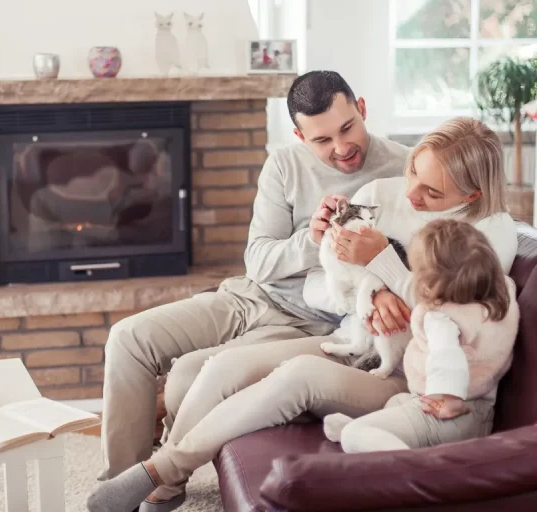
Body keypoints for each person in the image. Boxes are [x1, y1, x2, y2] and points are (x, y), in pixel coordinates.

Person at [88, 117, 516, 512]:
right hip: (355, 339)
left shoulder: (490, 235)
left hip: (415, 378)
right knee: (220, 368)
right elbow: (326, 285)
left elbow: (456, 323)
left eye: (432, 192)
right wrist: (368, 293)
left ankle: (160, 471)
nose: (410, 194)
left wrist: (383, 264)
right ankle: (162, 483)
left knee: (299, 376)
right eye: (412, 173)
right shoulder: (380, 196)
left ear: (471, 195)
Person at [94, 70, 411, 509]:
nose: (341, 148)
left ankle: (160, 487)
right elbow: (258, 259)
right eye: (321, 140)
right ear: (300, 136)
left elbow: (419, 256)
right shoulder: (283, 164)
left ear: (361, 109)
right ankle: (121, 487)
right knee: (127, 339)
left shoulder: (404, 170)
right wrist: (311, 239)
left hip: (311, 321)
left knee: (188, 376)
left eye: (347, 128)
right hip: (251, 295)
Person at [324, 219, 519, 453]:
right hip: (481, 410)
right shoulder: (501, 296)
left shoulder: (442, 318)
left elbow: (448, 357)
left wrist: (449, 399)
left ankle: (408, 465)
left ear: (427, 285)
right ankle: (365, 428)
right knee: (395, 404)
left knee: (353, 437)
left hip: (448, 412)